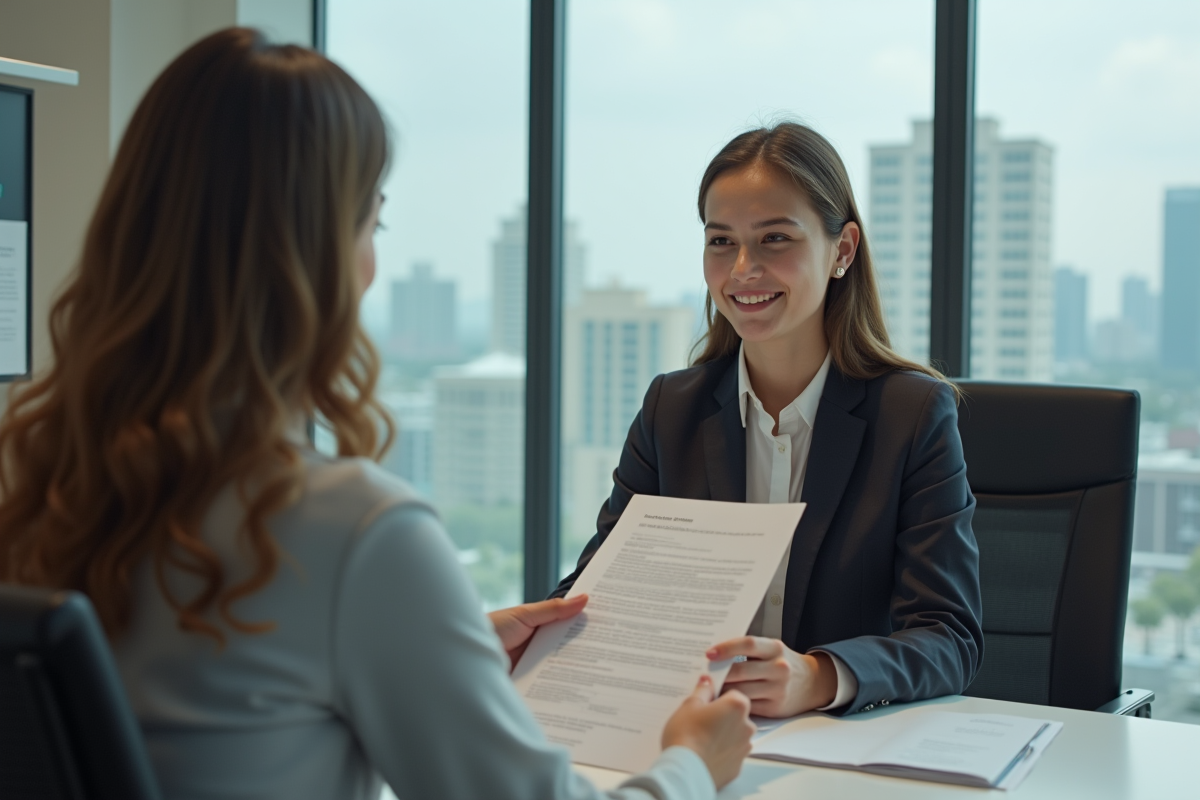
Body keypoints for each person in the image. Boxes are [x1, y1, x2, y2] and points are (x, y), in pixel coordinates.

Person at [0, 28, 753, 800]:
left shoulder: (38, 480)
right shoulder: (350, 529)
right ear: (316, 257)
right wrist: (690, 762)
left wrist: (429, 645)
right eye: (372, 225)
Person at [555, 122, 983, 719]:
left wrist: (818, 676)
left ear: (843, 250)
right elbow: (599, 592)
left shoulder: (911, 416)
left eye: (775, 238)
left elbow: (949, 637)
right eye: (721, 241)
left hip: (839, 755)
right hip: (693, 742)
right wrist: (528, 632)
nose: (742, 270)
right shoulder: (671, 410)